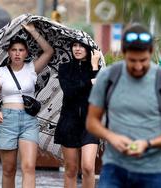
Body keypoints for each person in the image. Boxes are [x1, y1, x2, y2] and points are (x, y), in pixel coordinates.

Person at [87, 23, 161, 188]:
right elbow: (92, 122)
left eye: (143, 60)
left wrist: (148, 144)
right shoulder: (109, 77)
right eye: (132, 60)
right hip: (114, 168)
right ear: (124, 53)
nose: (138, 66)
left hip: (152, 171)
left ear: (150, 53)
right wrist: (112, 137)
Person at [0, 23, 54, 188]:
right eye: (14, 50)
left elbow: (49, 52)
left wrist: (33, 31)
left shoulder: (32, 68)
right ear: (9, 52)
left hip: (28, 121)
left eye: (21, 50)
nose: (17, 53)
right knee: (8, 169)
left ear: (26, 53)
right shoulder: (0, 72)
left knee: (29, 167)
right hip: (7, 119)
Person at [54, 40, 101, 188]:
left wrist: (94, 68)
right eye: (74, 45)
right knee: (71, 169)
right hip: (69, 123)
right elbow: (70, 91)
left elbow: (99, 93)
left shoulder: (98, 69)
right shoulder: (65, 68)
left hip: (90, 123)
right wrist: (90, 82)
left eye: (81, 46)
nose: (77, 49)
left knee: (88, 167)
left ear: (88, 49)